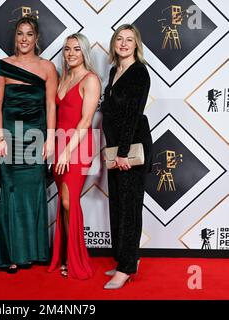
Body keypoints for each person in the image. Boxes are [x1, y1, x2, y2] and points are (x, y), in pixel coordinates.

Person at [0, 15, 58, 273]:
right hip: (9, 135)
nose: (24, 39)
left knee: (33, 194)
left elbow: (50, 104)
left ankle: (33, 251)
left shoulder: (47, 67)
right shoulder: (2, 66)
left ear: (37, 38)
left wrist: (50, 137)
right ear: (15, 37)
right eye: (20, 33)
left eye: (29, 34)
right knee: (11, 193)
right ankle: (12, 254)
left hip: (36, 136)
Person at [101, 24, 152, 289]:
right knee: (119, 207)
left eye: (129, 39)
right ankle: (125, 258)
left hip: (131, 150)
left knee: (130, 209)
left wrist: (122, 153)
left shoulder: (139, 73)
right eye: (119, 39)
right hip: (115, 150)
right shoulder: (113, 71)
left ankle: (126, 268)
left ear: (136, 44)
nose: (123, 43)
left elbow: (133, 114)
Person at [48, 33, 101, 280]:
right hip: (59, 143)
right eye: (67, 49)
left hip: (77, 146)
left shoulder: (90, 80)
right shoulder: (64, 77)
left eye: (77, 49)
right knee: (63, 202)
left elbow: (86, 120)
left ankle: (75, 259)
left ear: (85, 53)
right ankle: (66, 255)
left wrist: (67, 151)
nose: (71, 53)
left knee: (69, 202)